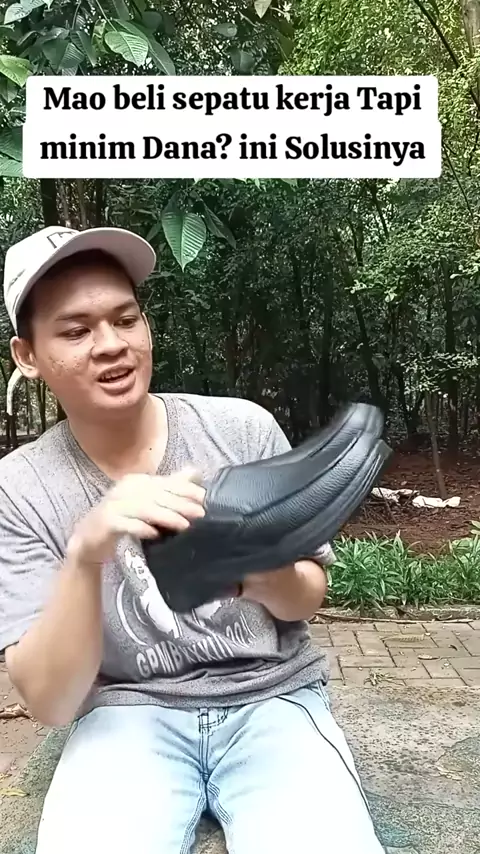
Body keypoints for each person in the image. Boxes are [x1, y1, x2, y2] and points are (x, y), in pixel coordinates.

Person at [0, 225, 385, 854]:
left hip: (273, 697)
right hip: (125, 712)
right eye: (75, 331)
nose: (111, 345)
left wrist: (249, 563)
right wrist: (86, 552)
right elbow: (49, 700)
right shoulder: (18, 489)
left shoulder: (241, 429)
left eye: (126, 319)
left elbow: (307, 599)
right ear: (27, 355)